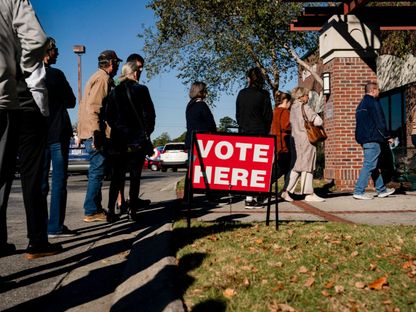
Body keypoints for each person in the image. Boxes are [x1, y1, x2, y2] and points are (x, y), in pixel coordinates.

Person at [0, 0, 62, 259]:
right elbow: (35, 40)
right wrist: (19, 68)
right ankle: (37, 239)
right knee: (31, 176)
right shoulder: (13, 4)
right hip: (18, 100)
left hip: (15, 100)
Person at [105, 62, 156, 221]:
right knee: (135, 176)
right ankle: (132, 210)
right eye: (138, 71)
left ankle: (111, 209)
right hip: (136, 140)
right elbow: (150, 114)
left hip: (119, 139)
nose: (140, 74)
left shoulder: (115, 92)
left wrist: (118, 128)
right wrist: (146, 131)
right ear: (134, 73)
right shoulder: (142, 90)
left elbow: (109, 116)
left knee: (117, 176)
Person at [77, 50, 121, 222]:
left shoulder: (95, 77)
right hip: (97, 133)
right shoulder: (103, 79)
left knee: (96, 170)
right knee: (97, 171)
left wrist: (81, 132)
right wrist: (95, 133)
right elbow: (94, 107)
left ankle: (94, 208)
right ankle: (92, 210)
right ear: (110, 63)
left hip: (90, 131)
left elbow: (83, 106)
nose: (117, 66)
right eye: (116, 63)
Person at [41, 37, 77, 238]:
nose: (58, 53)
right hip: (57, 133)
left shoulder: (29, 75)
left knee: (40, 183)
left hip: (37, 135)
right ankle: (54, 226)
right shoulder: (56, 75)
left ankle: (39, 226)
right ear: (47, 52)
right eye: (56, 49)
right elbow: (71, 101)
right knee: (59, 180)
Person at [236, 67, 273, 208]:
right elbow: (268, 116)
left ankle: (248, 197)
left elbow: (238, 114)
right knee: (258, 167)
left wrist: (243, 125)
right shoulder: (264, 94)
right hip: (259, 132)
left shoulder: (241, 93)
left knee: (246, 166)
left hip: (244, 132)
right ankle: (256, 195)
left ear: (248, 79)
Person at [281, 87, 325, 202]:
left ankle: (286, 190)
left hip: (295, 140)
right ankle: (308, 193)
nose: (308, 97)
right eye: (306, 95)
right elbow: (318, 121)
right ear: (301, 96)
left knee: (296, 166)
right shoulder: (305, 107)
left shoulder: (292, 109)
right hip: (307, 140)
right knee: (308, 166)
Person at [353, 82, 395, 200]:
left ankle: (381, 190)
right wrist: (388, 136)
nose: (379, 93)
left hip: (364, 139)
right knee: (369, 164)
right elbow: (380, 121)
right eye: (378, 90)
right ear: (373, 90)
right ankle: (358, 191)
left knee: (373, 164)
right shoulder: (373, 102)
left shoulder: (361, 105)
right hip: (373, 139)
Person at [184, 82, 217, 202]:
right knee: (206, 169)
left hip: (191, 140)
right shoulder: (202, 105)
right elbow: (211, 124)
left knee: (191, 170)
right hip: (203, 142)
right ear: (201, 92)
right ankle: (210, 194)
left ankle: (187, 197)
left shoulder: (189, 106)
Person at [270, 91, 292, 201]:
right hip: (284, 143)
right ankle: (284, 191)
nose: (290, 105)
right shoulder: (285, 112)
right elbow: (286, 126)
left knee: (280, 167)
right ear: (285, 101)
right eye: (289, 102)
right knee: (283, 168)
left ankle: (282, 191)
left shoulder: (275, 112)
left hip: (276, 143)